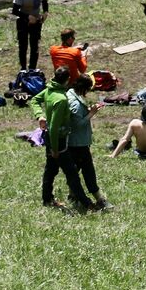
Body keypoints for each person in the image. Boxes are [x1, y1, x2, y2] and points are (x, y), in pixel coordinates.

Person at [29, 66, 96, 210]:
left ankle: (47, 199)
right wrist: (54, 148)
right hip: (58, 141)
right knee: (72, 173)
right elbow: (53, 127)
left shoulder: (49, 90)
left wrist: (39, 115)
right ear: (67, 80)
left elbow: (34, 100)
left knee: (51, 170)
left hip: (49, 138)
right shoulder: (61, 99)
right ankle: (86, 203)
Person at [66, 74, 108, 210]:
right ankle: (99, 198)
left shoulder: (70, 94)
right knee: (88, 171)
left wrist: (88, 110)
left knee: (75, 169)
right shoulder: (75, 103)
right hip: (79, 143)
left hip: (73, 141)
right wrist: (92, 113)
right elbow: (78, 124)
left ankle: (72, 194)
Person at [12, 0, 50, 71]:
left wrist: (45, 12)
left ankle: (32, 68)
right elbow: (14, 11)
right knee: (23, 46)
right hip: (23, 21)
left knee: (35, 46)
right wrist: (28, 17)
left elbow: (44, 2)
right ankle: (23, 68)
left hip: (36, 21)